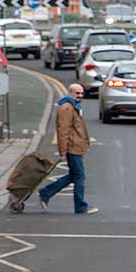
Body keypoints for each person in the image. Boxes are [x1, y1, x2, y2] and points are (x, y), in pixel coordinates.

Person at [37, 83, 98, 214]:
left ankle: (46, 193)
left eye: (82, 93)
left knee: (74, 175)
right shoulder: (66, 108)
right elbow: (63, 131)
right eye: (77, 93)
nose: (80, 96)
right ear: (70, 93)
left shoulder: (74, 106)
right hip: (72, 147)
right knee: (79, 176)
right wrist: (63, 151)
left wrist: (85, 143)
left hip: (77, 146)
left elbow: (79, 128)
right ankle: (80, 206)